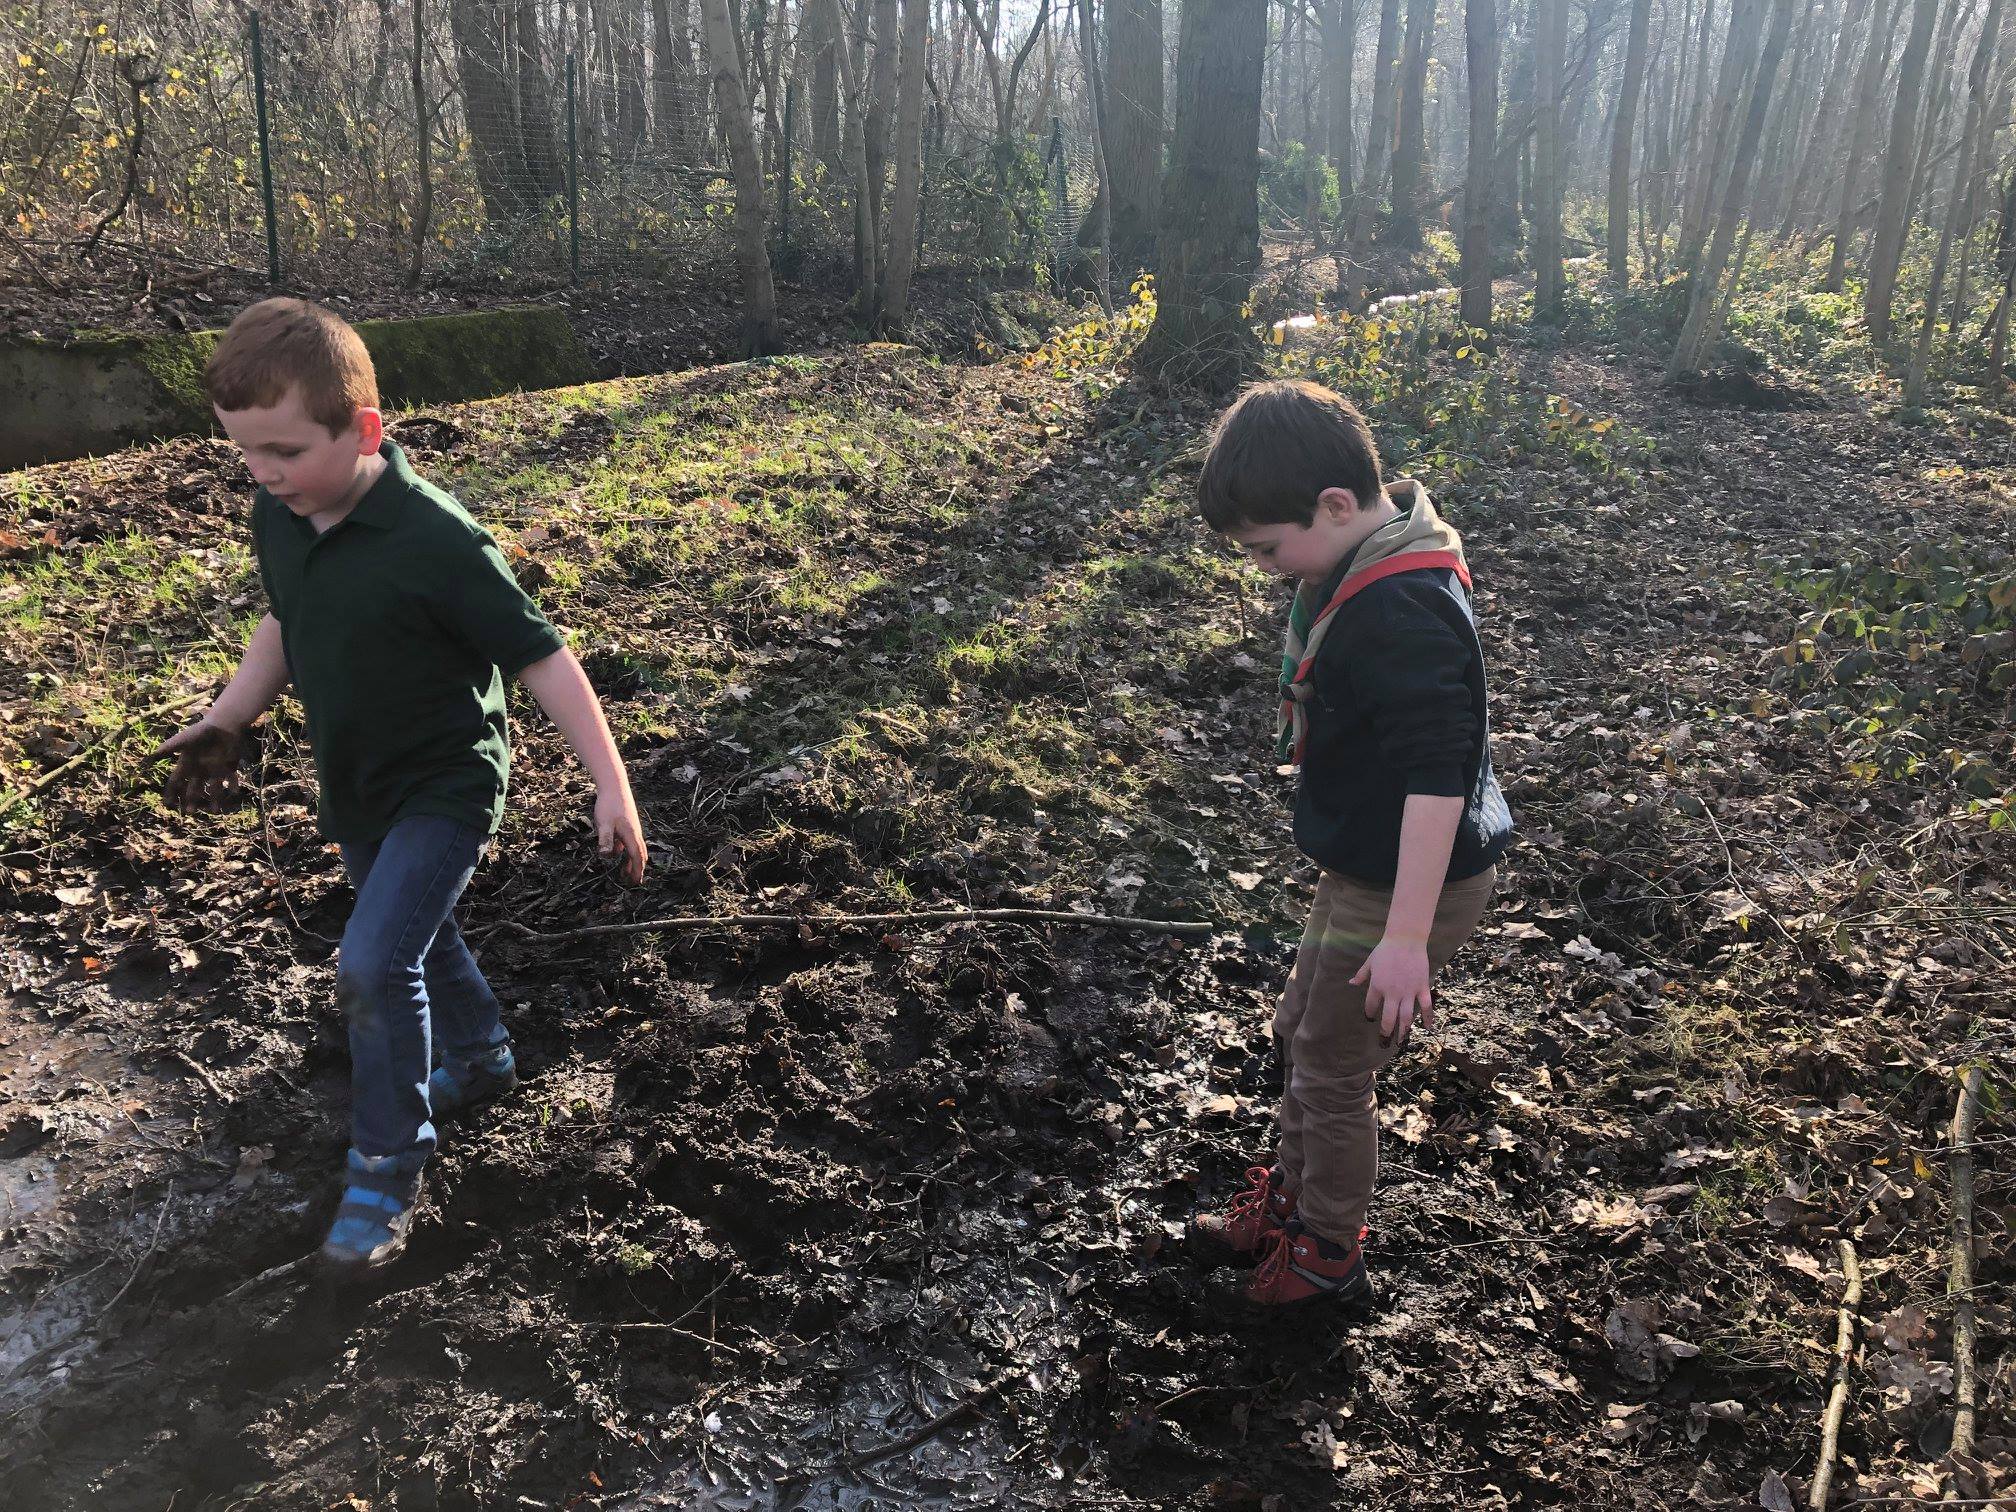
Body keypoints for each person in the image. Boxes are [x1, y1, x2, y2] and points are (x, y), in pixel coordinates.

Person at [153, 297, 647, 1277]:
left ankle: (386, 1163)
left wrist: (612, 787)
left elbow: (542, 659)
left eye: (285, 451)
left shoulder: (436, 540)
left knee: (374, 964)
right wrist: (227, 717)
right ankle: (482, 1058)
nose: (263, 475)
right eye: (245, 454)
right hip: (359, 780)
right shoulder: (280, 517)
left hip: (446, 783)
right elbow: (284, 626)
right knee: (419, 929)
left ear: (364, 430)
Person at [1187, 378, 1513, 1309]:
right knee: (1300, 1029)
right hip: (1366, 860)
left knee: (1333, 1064)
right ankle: (1288, 1198)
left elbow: (1437, 777)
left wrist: (1406, 938)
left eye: (1267, 547)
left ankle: (1326, 1249)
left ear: (1334, 505)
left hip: (1409, 882)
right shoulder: (1373, 563)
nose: (1264, 568)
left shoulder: (1397, 609)